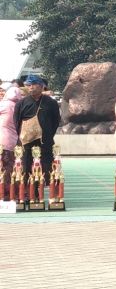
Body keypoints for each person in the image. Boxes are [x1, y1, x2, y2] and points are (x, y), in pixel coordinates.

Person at [16, 74, 61, 202]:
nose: (30, 88)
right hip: (26, 142)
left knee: (47, 165)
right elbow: (17, 122)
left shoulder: (51, 103)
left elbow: (55, 120)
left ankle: (48, 194)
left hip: (45, 141)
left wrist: (47, 134)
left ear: (41, 86)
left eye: (33, 85)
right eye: (28, 85)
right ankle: (29, 194)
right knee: (26, 166)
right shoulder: (21, 103)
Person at [0, 84, 21, 201]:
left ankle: (3, 192)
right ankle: (11, 193)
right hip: (13, 142)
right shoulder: (18, 106)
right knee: (10, 169)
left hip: (2, 140)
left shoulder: (4, 105)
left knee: (2, 168)